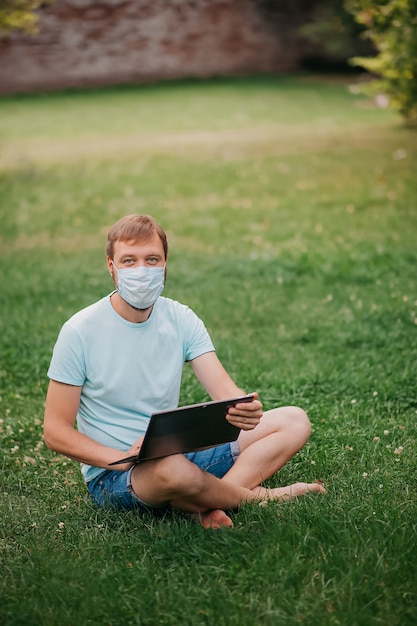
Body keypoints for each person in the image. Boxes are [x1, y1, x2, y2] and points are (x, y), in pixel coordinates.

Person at [44, 214, 325, 529]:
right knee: (173, 471)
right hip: (117, 474)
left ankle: (205, 503)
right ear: (111, 267)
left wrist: (245, 409)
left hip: (176, 451)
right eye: (129, 260)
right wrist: (122, 458)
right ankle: (256, 497)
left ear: (165, 265)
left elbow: (225, 393)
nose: (142, 270)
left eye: (152, 259)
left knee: (293, 421)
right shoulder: (80, 332)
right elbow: (55, 431)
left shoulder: (182, 318)